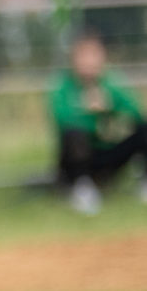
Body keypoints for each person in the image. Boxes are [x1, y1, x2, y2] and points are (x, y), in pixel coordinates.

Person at [50, 29, 147, 215]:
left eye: (94, 54)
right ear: (74, 58)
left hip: (107, 150)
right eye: (84, 55)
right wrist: (91, 115)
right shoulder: (63, 86)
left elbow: (136, 114)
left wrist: (109, 109)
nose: (89, 61)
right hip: (78, 157)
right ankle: (82, 188)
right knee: (74, 136)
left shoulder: (110, 83)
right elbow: (63, 120)